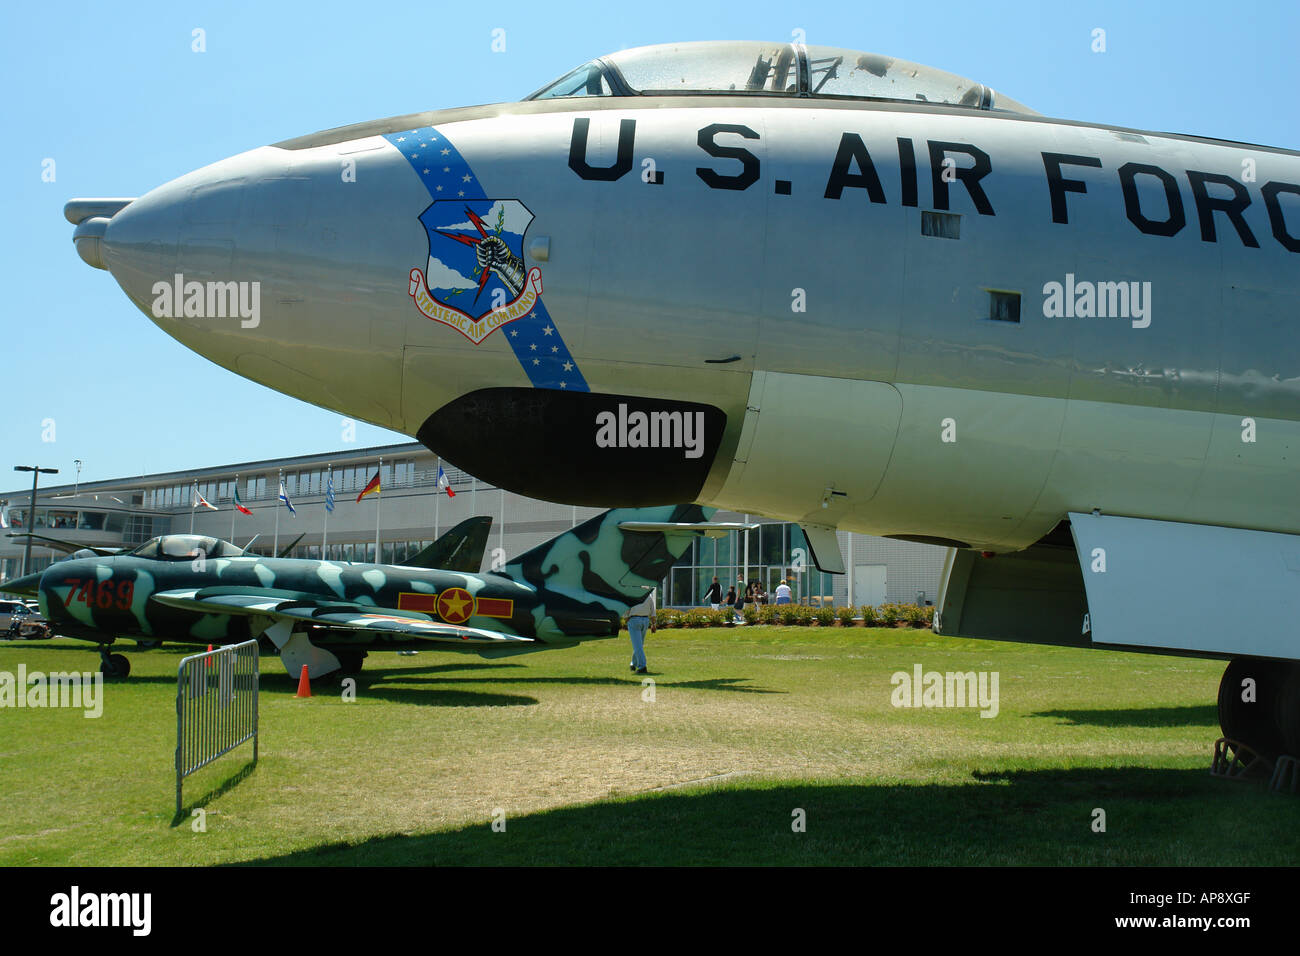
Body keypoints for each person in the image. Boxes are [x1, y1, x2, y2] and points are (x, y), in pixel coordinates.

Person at [626, 586, 657, 674]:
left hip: (634, 620)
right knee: (639, 644)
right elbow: (653, 612)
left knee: (637, 645)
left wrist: (626, 619)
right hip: (645, 620)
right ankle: (633, 663)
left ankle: (642, 666)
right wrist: (654, 624)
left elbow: (626, 610)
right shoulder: (648, 596)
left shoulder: (632, 595)